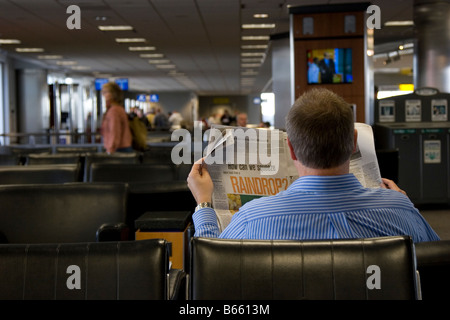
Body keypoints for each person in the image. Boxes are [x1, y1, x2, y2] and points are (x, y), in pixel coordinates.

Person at [187, 88, 440, 243]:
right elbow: (434, 265)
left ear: (291, 150)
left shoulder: (252, 219)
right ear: (354, 143)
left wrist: (204, 204)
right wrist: (407, 208)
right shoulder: (400, 210)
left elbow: (211, 266)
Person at [100, 82, 133, 153]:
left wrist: (110, 150)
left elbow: (114, 132)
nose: (103, 95)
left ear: (113, 94)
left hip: (119, 149)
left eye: (105, 92)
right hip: (121, 147)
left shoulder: (114, 111)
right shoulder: (118, 108)